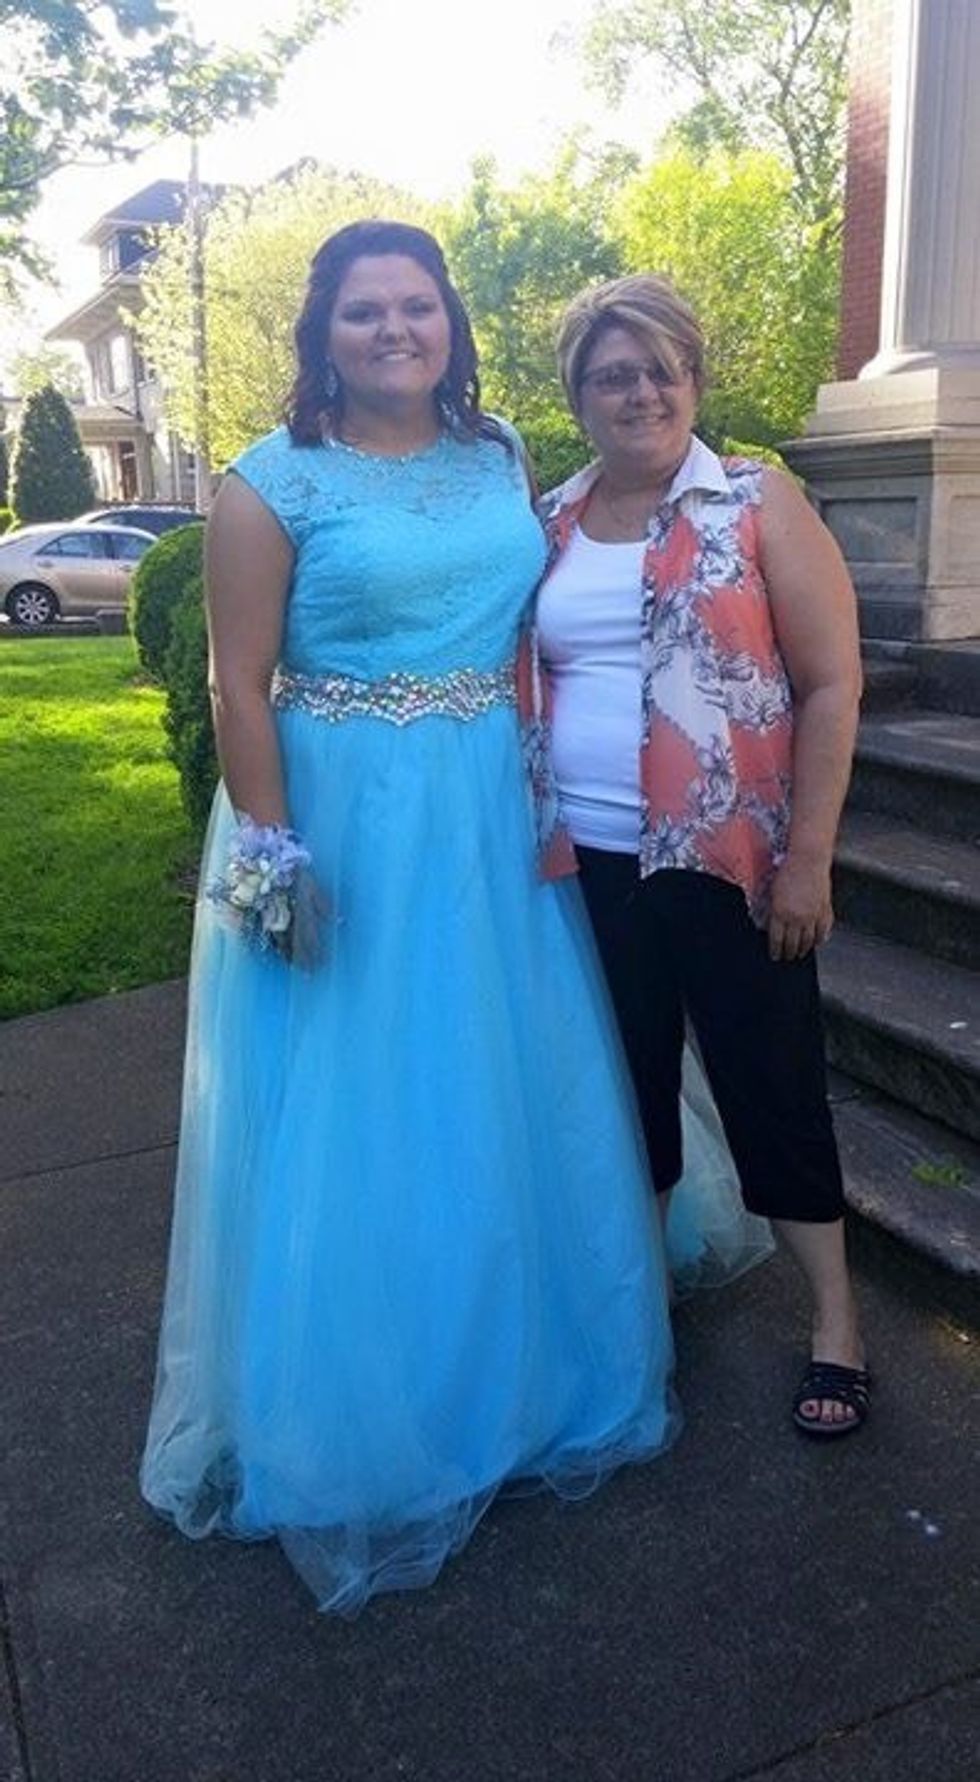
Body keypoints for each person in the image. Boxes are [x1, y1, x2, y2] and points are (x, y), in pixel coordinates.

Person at [140, 222, 767, 1616]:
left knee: (499, 1072)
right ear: (323, 332)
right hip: (348, 811)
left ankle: (534, 1366)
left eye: (416, 306)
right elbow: (240, 684)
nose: (393, 330)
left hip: (493, 803)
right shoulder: (266, 481)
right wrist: (273, 858)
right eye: (363, 310)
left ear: (449, 324)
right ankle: (369, 1407)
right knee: (366, 1090)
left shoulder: (498, 457)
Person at [534, 273, 869, 1439]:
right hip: (585, 865)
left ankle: (835, 1325)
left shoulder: (755, 503)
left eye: (661, 370)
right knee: (623, 1092)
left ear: (693, 380)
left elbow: (829, 685)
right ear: (577, 394)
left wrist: (808, 859)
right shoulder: (550, 522)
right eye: (611, 375)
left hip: (729, 859)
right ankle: (639, 1320)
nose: (640, 393)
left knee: (770, 1084)